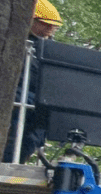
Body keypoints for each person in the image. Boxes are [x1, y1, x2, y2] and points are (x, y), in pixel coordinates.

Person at [2, 0, 63, 163]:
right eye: (45, 24)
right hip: (16, 101)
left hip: (37, 106)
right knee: (13, 137)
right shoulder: (13, 42)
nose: (49, 30)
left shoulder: (49, 49)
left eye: (53, 26)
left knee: (30, 141)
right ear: (29, 20)